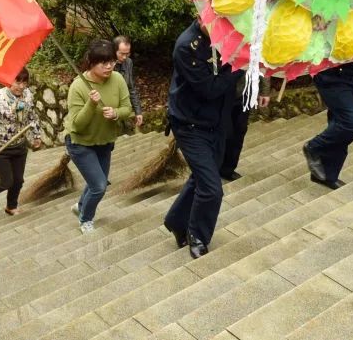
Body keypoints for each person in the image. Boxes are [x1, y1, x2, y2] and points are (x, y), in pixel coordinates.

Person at [164, 20, 265, 258]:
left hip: (217, 122)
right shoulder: (187, 46)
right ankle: (197, 235)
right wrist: (240, 66)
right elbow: (209, 88)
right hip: (190, 125)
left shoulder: (227, 36)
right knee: (212, 188)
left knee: (203, 177)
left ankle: (176, 221)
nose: (221, 27)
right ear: (200, 16)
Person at [65, 38, 132, 234]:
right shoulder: (78, 87)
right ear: (92, 62)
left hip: (105, 140)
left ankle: (80, 206)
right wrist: (91, 104)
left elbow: (127, 108)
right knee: (99, 186)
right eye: (104, 63)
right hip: (81, 143)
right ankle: (86, 218)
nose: (109, 66)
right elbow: (77, 124)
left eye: (111, 61)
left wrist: (116, 113)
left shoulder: (117, 79)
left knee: (98, 181)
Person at [0, 68, 43, 215]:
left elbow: (32, 116)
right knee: (7, 181)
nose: (21, 86)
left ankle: (11, 206)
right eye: (17, 81)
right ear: (9, 80)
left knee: (18, 180)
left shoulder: (28, 95)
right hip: (1, 148)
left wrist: (37, 135)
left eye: (24, 82)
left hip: (20, 145)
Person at [303, 62, 353, 189]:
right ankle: (314, 146)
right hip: (329, 73)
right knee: (352, 122)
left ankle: (327, 175)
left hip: (350, 70)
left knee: (339, 122)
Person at [219, 77, 269, 182]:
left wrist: (264, 91)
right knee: (223, 132)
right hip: (220, 93)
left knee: (239, 132)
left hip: (244, 93)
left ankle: (228, 169)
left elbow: (263, 64)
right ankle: (211, 168)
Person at [114, 36, 143, 129]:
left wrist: (138, 111)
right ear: (113, 51)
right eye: (121, 53)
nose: (124, 57)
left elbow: (131, 87)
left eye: (127, 54)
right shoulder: (105, 64)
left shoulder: (128, 62)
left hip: (123, 107)